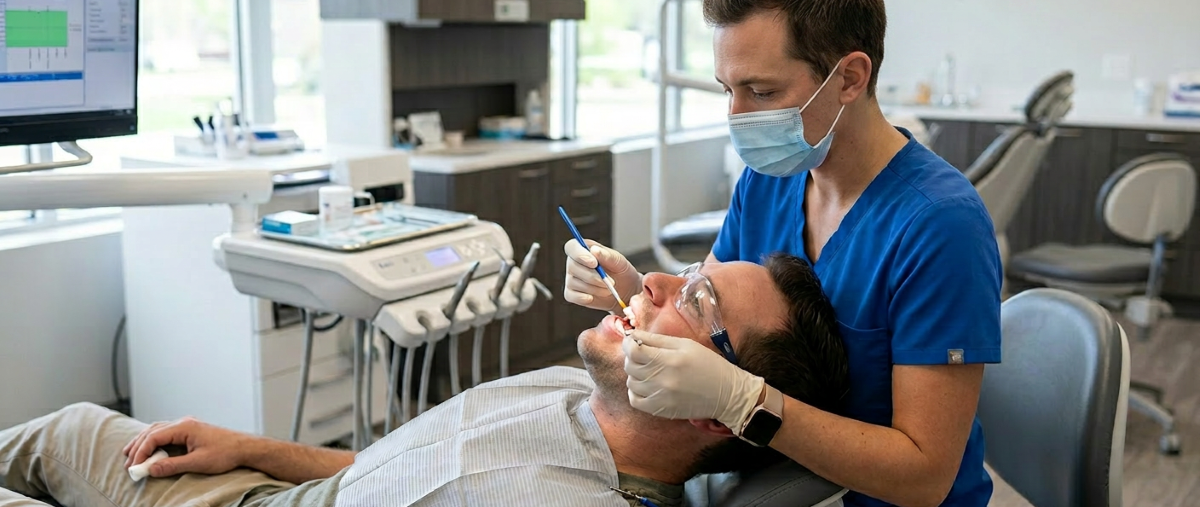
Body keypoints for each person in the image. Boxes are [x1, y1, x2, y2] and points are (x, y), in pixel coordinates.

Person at [562, 1, 1002, 506]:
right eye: (727, 90)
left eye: (762, 92)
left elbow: (925, 477)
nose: (736, 116)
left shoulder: (939, 226)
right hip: (772, 475)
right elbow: (707, 299)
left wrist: (748, 404)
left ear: (849, 78)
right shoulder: (769, 179)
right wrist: (635, 295)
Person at [0, 254, 848, 507]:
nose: (651, 280)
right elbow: (395, 469)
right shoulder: (564, 390)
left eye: (697, 300)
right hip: (264, 490)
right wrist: (248, 448)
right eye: (689, 270)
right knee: (70, 426)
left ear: (717, 409)